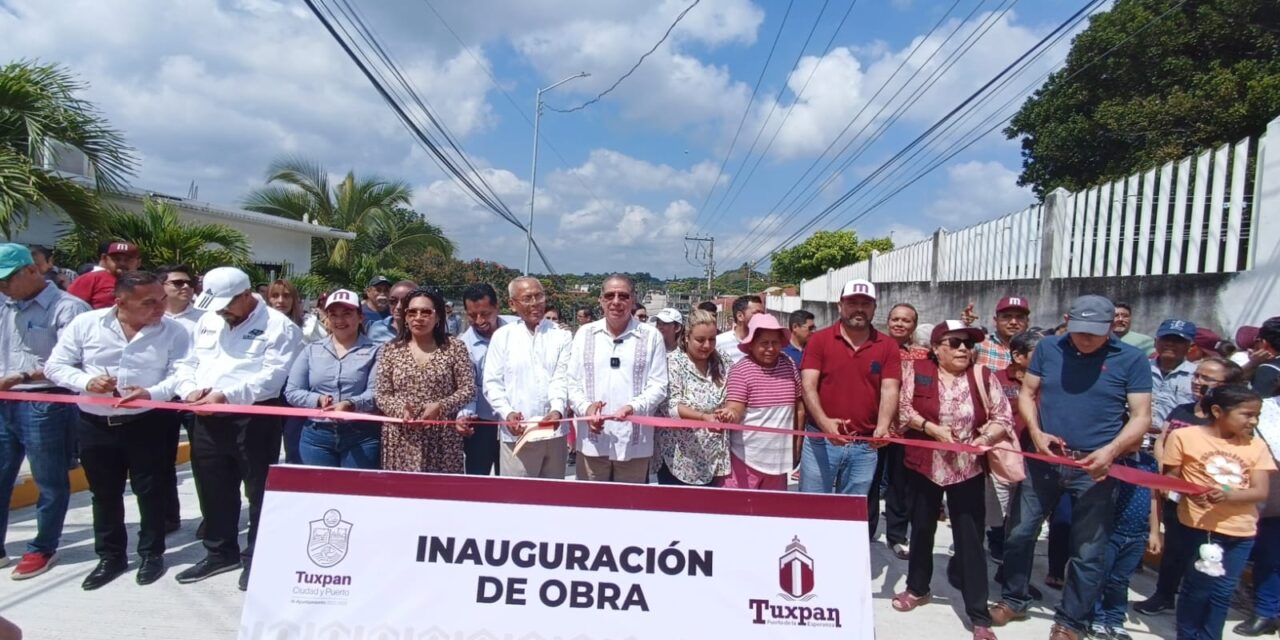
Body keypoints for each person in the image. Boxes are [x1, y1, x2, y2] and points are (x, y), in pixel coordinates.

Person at [989, 295, 1152, 640]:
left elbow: (1141, 416)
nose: (1086, 338)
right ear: (1067, 320)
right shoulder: (1048, 349)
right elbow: (1027, 393)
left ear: (1111, 326)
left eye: (1095, 332)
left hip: (1097, 465)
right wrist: (1036, 432)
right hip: (1045, 458)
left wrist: (1111, 451)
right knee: (1019, 533)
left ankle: (1071, 620)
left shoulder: (1132, 359)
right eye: (1080, 331)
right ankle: (1014, 598)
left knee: (1088, 549)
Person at [44, 271, 189, 590]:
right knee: (104, 494)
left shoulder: (174, 331)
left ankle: (152, 554)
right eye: (148, 302)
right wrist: (86, 382)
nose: (159, 307)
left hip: (147, 423)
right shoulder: (86, 324)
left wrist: (151, 393)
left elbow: (181, 373)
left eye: (161, 299)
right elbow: (56, 366)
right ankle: (111, 556)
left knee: (150, 491)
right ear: (120, 301)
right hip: (95, 423)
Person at [171, 266, 302, 591]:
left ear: (246, 296)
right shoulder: (210, 319)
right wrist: (189, 389)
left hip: (254, 417)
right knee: (214, 487)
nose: (222, 311)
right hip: (207, 414)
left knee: (258, 491)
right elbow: (187, 362)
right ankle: (219, 552)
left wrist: (226, 395)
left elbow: (273, 377)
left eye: (228, 304)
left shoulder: (279, 327)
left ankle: (256, 556)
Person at [892, 320, 1013, 640]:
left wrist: (983, 437)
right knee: (920, 529)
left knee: (970, 540)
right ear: (936, 348)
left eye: (968, 344)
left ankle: (978, 613)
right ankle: (918, 588)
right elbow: (902, 411)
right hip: (924, 466)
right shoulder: (917, 370)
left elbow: (1003, 417)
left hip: (967, 469)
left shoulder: (982, 375)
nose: (963, 349)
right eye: (954, 343)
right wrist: (933, 430)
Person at [0, 244, 88, 580]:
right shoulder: (5, 304)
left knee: (49, 480)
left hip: (45, 402)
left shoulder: (68, 309)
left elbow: (70, 363)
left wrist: (22, 376)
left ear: (32, 271)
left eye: (7, 280)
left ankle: (42, 547)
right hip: (5, 401)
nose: (2, 287)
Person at [1163, 385, 1274, 640]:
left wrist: (1228, 494)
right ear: (1217, 411)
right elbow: (1170, 479)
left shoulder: (1256, 446)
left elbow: (1260, 491)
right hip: (1198, 529)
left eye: (1257, 414)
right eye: (1247, 414)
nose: (1253, 421)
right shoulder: (1185, 437)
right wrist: (1191, 492)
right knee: (1197, 589)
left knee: (1222, 592)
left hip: (1240, 531)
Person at [1135, 356, 1244, 616]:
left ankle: (1196, 604)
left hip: (1207, 498)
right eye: (1197, 375)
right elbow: (1163, 439)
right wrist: (1165, 470)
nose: (1198, 382)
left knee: (1203, 554)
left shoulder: (1227, 422)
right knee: (1174, 548)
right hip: (1174, 492)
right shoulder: (1181, 409)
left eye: (1207, 378)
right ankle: (1164, 595)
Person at [798, 279, 901, 540]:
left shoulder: (887, 346)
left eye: (865, 304)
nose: (859, 309)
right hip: (820, 441)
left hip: (865, 445)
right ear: (840, 305)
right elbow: (808, 386)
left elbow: (890, 389)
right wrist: (824, 423)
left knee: (850, 513)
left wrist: (883, 425)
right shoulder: (820, 341)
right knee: (812, 509)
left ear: (874, 308)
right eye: (852, 302)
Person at [567, 275, 668, 483]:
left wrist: (632, 407)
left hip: (635, 442)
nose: (616, 301)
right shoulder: (585, 334)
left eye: (623, 296)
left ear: (632, 300)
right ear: (600, 300)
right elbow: (571, 383)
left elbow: (658, 385)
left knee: (629, 508)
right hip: (592, 443)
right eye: (609, 295)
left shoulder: (651, 336)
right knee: (590, 507)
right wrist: (587, 408)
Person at [374, 287, 475, 474]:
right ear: (405, 316)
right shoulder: (391, 349)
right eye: (412, 312)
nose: (418, 317)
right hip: (401, 436)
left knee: (440, 496)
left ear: (438, 317)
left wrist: (441, 406)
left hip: (442, 437)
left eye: (426, 312)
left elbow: (468, 389)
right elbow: (381, 394)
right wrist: (400, 409)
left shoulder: (454, 347)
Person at [482, 277, 573, 479]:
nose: (534, 303)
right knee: (517, 499)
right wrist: (507, 413)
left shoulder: (562, 335)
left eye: (538, 296)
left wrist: (557, 409)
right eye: (527, 298)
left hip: (554, 433)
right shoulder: (502, 336)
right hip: (517, 434)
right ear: (513, 304)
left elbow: (562, 377)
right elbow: (492, 383)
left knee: (553, 498)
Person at [284, 289, 381, 470]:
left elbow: (376, 392)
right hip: (316, 436)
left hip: (362, 436)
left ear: (360, 317)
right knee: (320, 494)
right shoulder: (311, 350)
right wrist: (317, 400)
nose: (339, 320)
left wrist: (351, 403)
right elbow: (292, 391)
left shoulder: (377, 351)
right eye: (333, 315)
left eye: (347, 314)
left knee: (356, 494)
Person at [719, 314, 803, 491]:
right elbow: (735, 407)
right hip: (746, 459)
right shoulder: (741, 370)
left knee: (773, 515)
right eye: (764, 343)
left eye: (775, 343)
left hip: (779, 462)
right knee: (739, 513)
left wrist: (797, 445)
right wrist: (729, 414)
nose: (770, 348)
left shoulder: (789, 365)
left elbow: (799, 409)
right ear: (751, 344)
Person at [657, 309, 731, 486]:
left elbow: (734, 392)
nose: (707, 345)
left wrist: (729, 410)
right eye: (700, 340)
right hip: (679, 460)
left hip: (714, 457)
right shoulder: (672, 363)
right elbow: (672, 406)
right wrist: (704, 418)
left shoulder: (723, 361)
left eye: (712, 339)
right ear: (686, 336)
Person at [156, 264, 202, 533]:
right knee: (161, 461)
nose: (185, 287)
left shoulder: (206, 319)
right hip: (160, 398)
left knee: (205, 464)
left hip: (195, 399)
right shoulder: (153, 318)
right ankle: (167, 516)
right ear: (162, 286)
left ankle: (211, 516)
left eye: (188, 283)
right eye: (177, 283)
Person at [882, 302, 928, 558]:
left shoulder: (923, 355)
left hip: (906, 429)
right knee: (871, 481)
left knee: (901, 485)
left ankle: (897, 535)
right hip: (876, 425)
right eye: (895, 319)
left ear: (914, 325)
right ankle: (864, 531)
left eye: (906, 320)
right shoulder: (877, 347)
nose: (900, 324)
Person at [457, 283, 516, 476]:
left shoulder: (517, 329)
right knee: (478, 477)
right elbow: (468, 386)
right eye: (472, 315)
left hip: (517, 419)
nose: (479, 320)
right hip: (482, 423)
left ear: (497, 307)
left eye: (485, 313)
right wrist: (464, 416)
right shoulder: (463, 345)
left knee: (513, 480)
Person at [265, 279, 306, 465]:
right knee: (266, 448)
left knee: (294, 446)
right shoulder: (259, 327)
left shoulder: (310, 327)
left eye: (286, 295)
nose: (280, 300)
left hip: (295, 394)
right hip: (266, 393)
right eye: (275, 296)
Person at [1152, 319, 1198, 430]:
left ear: (1190, 347)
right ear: (1155, 341)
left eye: (1178, 340)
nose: (1170, 344)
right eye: (1165, 338)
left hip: (1177, 438)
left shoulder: (1197, 375)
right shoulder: (1138, 368)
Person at [67, 241, 141, 309]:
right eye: (116, 259)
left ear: (138, 263)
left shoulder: (146, 283)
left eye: (128, 260)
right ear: (105, 259)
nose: (122, 263)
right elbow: (70, 306)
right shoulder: (90, 279)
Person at [968, 296, 1031, 372]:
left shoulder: (1037, 349)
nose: (1013, 322)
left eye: (1020, 317)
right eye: (1007, 316)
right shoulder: (980, 343)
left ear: (1027, 322)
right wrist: (962, 325)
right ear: (995, 321)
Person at [716, 294, 764, 366]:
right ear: (740, 316)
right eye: (756, 313)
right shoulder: (718, 343)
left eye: (762, 313)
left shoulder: (767, 345)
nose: (761, 317)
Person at [367, 280, 416, 344]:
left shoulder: (425, 330)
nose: (398, 307)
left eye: (405, 302)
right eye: (393, 301)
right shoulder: (376, 328)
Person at [1250, 317, 1280, 397]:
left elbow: (1256, 403)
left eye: (1257, 340)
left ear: (1264, 343)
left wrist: (1251, 365)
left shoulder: (1268, 370)